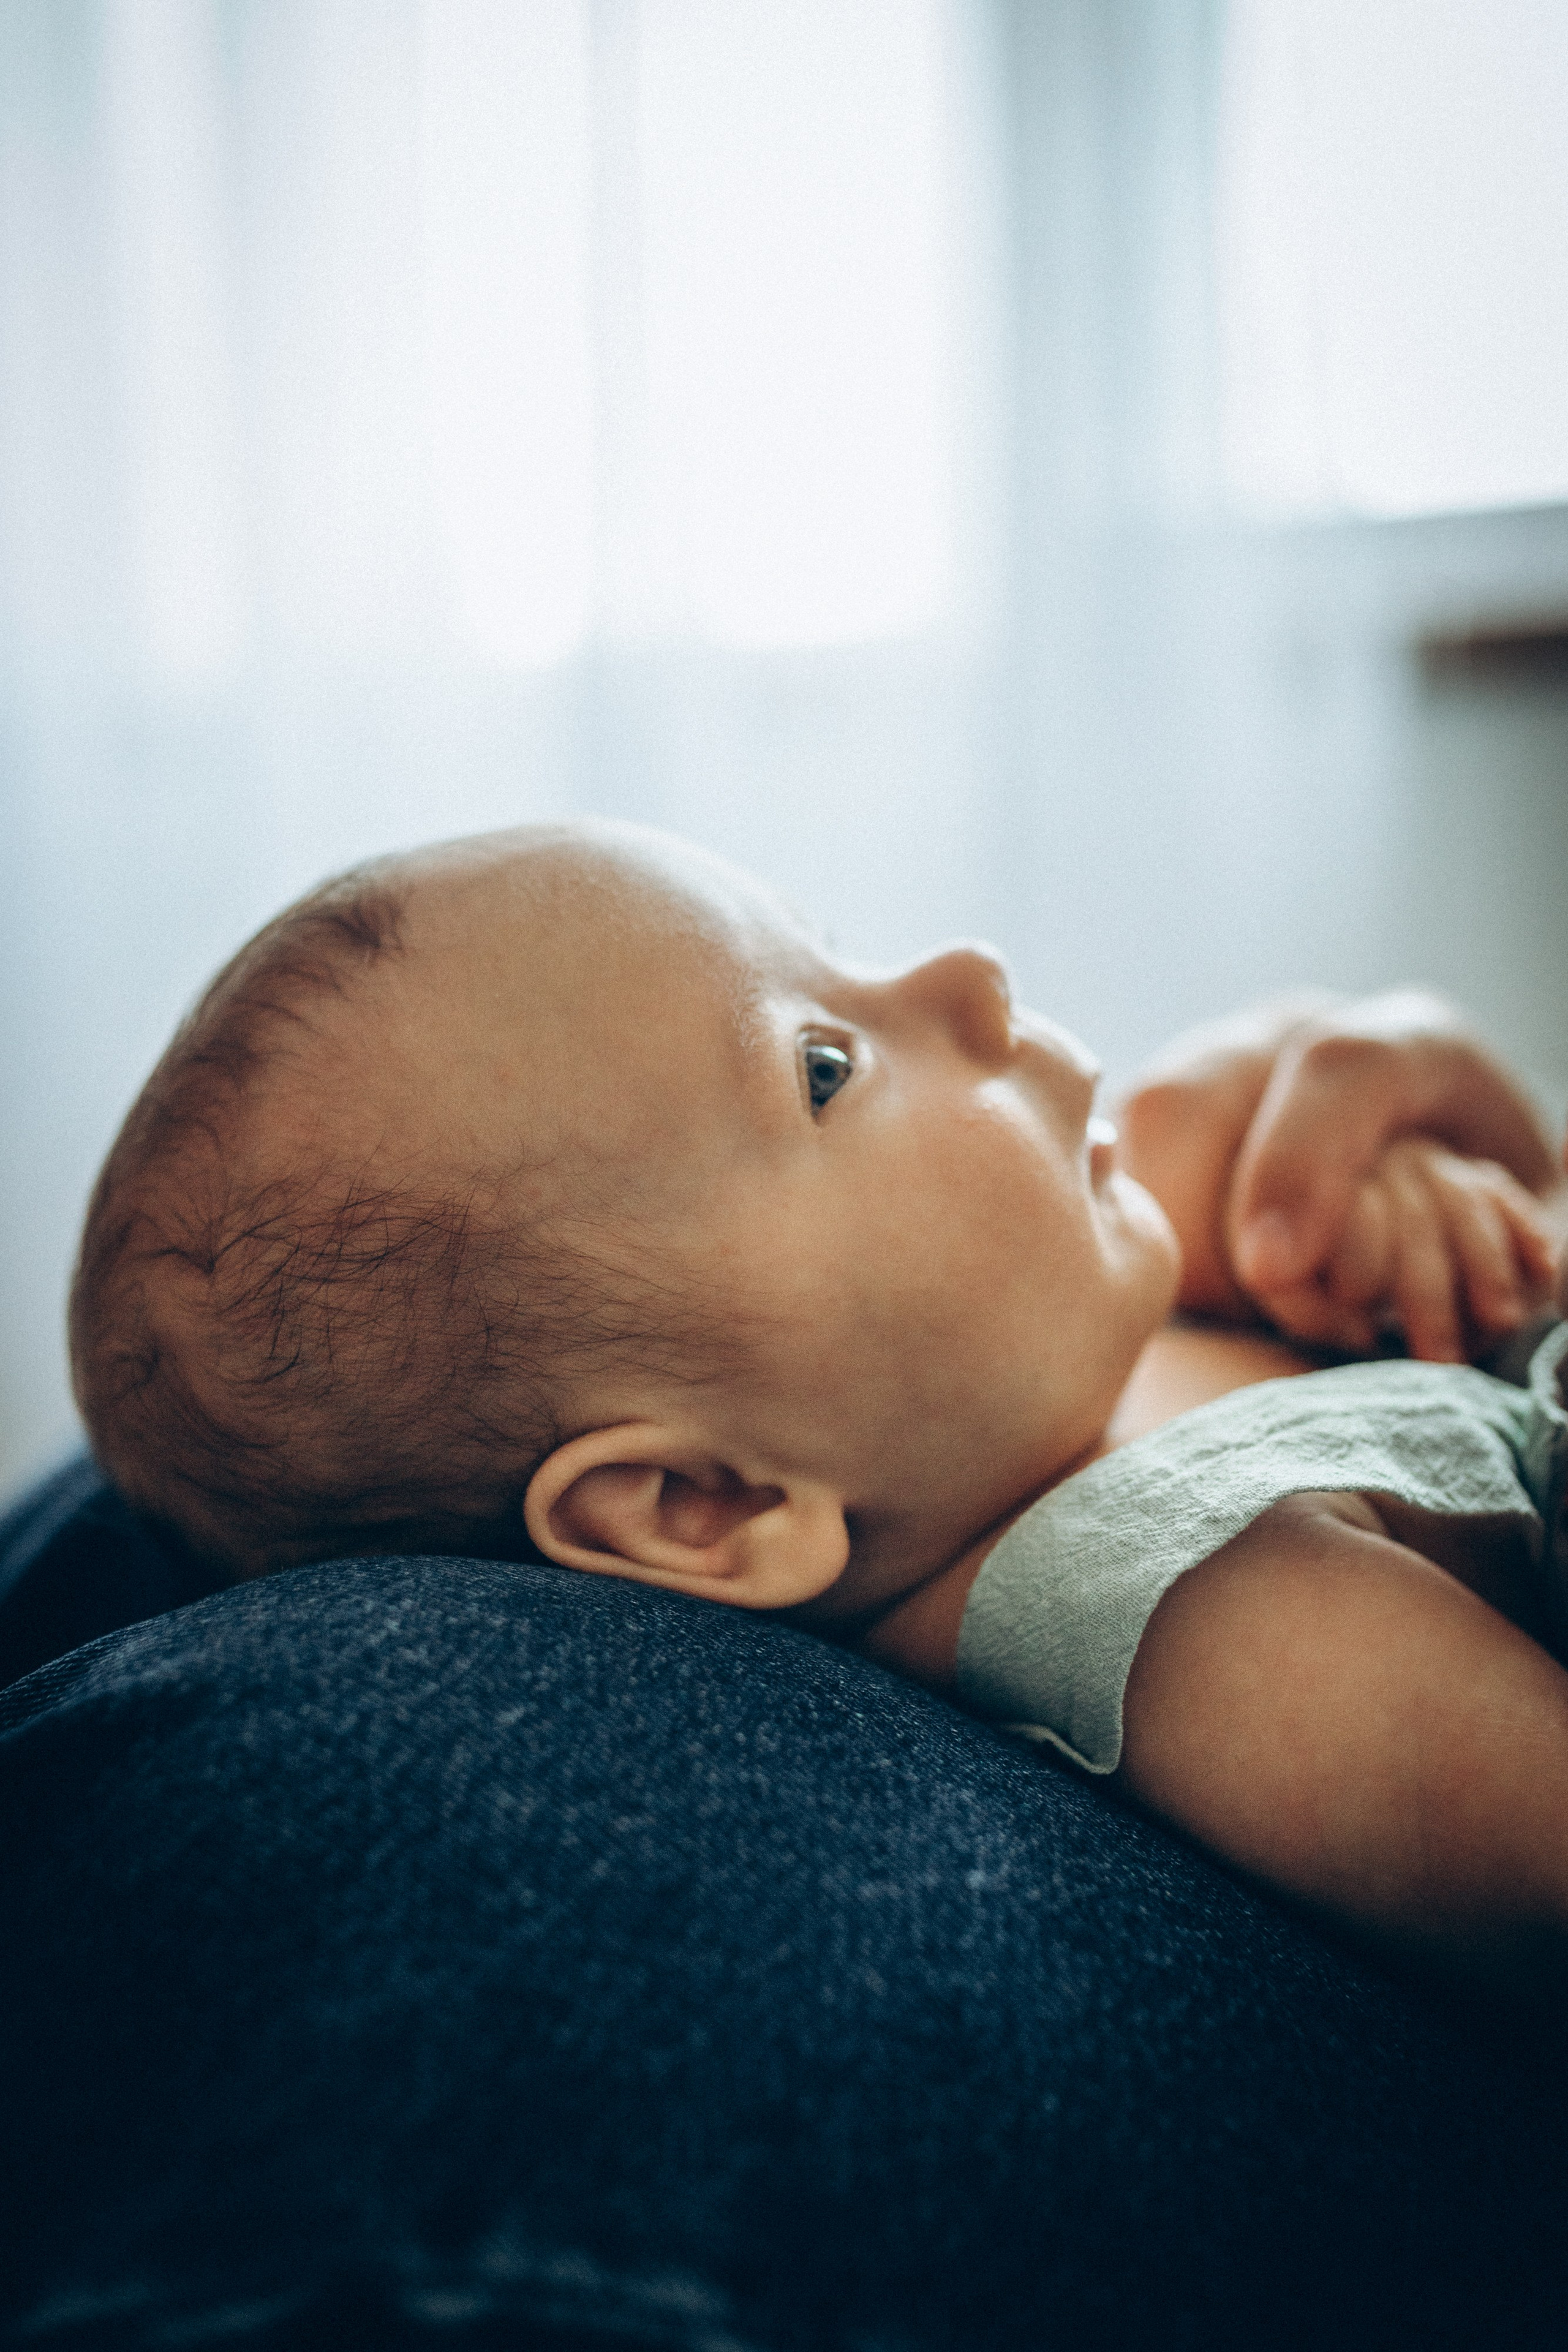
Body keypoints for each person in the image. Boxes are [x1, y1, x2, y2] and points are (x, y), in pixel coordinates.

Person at [70, 823, 1568, 2006]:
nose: (970, 976)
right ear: (709, 1504)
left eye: (838, 953)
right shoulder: (1188, 1614)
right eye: (824, 1067)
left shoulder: (1094, 1289)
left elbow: (1411, 1131)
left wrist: (1423, 1204)